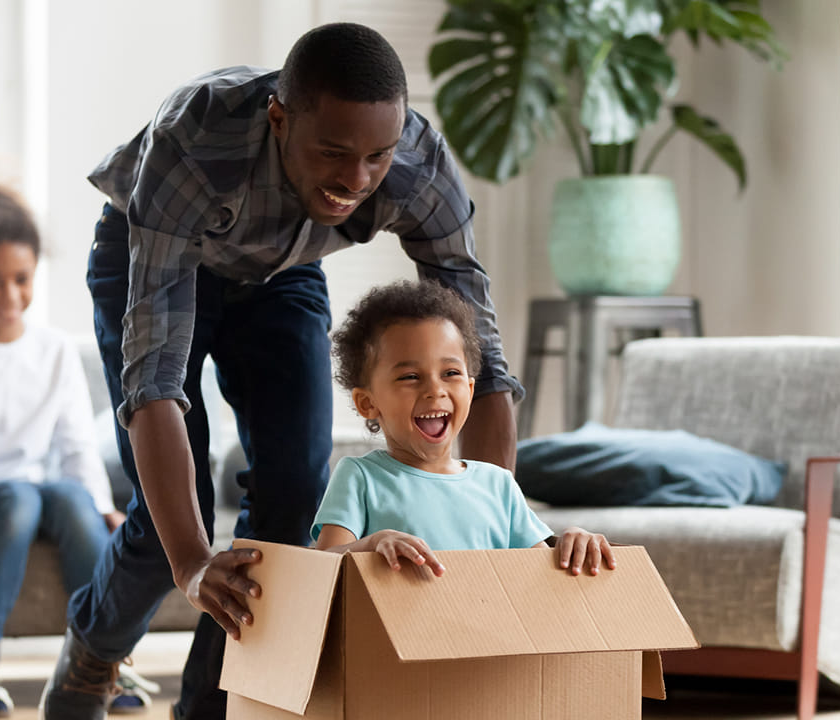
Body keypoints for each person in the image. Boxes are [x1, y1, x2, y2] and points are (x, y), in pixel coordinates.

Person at [42, 23, 522, 720]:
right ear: (278, 119)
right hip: (156, 257)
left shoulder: (419, 166)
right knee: (170, 524)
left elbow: (482, 354)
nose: (355, 180)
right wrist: (193, 563)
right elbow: (155, 383)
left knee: (297, 490)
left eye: (375, 158)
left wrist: (494, 538)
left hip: (282, 274)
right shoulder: (195, 143)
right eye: (332, 152)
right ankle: (93, 650)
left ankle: (213, 705)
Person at [0, 183, 157, 716]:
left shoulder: (55, 350)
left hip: (37, 496)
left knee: (65, 496)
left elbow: (74, 443)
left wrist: (99, 504)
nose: (9, 294)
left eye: (21, 279)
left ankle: (105, 662)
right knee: (20, 496)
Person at [312, 280, 616, 576]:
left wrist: (573, 541)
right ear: (367, 403)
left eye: (450, 373)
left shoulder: (497, 485)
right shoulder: (360, 478)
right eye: (409, 377)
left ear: (470, 390)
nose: (435, 389)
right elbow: (322, 567)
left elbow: (540, 576)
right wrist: (371, 545)